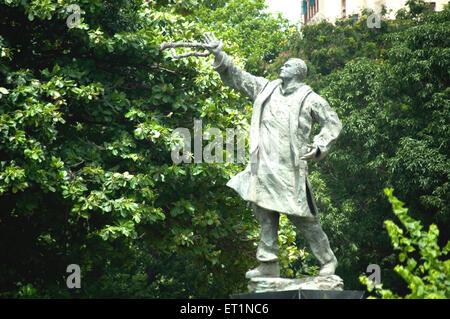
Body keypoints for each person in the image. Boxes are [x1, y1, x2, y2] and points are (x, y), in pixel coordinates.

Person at [203, 33, 342, 278]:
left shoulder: (310, 99)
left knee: (304, 219)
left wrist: (319, 146)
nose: (282, 66)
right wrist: (219, 55)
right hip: (263, 166)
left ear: (299, 72)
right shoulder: (266, 89)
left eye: (287, 65)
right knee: (264, 215)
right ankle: (267, 263)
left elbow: (332, 124)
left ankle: (328, 261)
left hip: (290, 169)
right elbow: (239, 78)